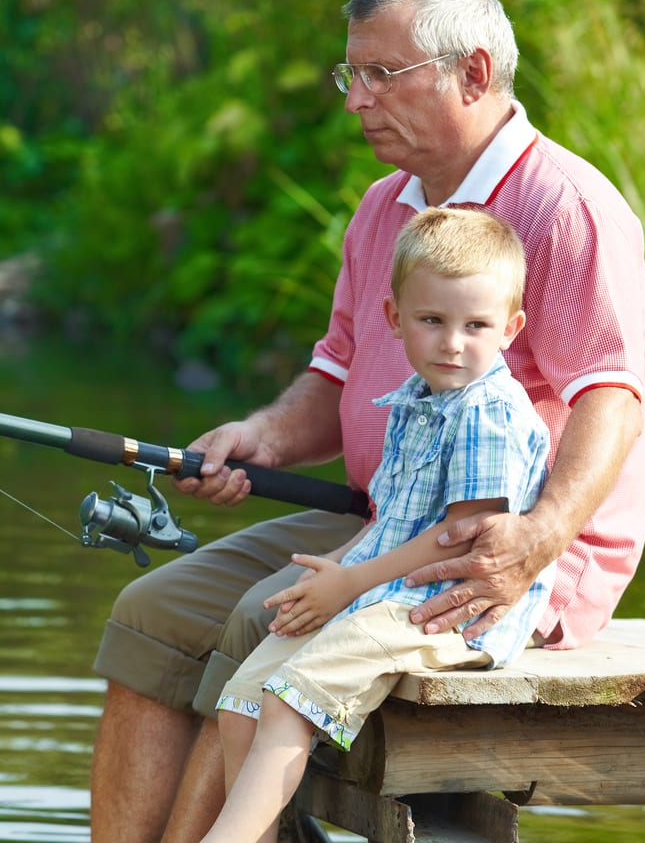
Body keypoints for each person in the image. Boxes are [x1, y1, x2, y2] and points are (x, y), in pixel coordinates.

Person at [89, 0, 645, 843]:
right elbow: (340, 374)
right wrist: (262, 437)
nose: (356, 98)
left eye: (381, 74)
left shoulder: (565, 204)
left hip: (500, 550)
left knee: (257, 615)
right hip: (383, 519)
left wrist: (534, 540)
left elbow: (612, 397)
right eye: (350, 73)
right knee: (150, 613)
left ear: (472, 72)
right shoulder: (385, 206)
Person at [200, 205, 551, 843]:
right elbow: (392, 519)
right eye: (431, 320)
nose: (452, 342)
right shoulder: (416, 401)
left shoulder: (488, 411)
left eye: (476, 324)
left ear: (511, 327)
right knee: (244, 696)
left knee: (288, 698)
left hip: (447, 607)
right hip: (384, 589)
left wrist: (353, 582)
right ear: (394, 319)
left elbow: (465, 536)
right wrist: (339, 573)